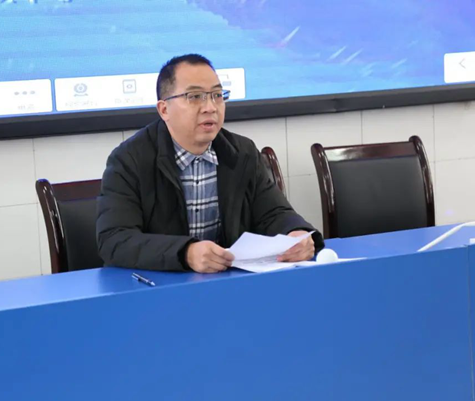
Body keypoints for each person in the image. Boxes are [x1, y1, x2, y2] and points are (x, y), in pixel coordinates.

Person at [97, 54, 324, 273]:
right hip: (160, 286)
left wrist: (297, 233)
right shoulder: (129, 160)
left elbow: (274, 213)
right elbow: (114, 239)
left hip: (228, 282)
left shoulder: (242, 152)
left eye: (217, 95)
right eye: (195, 97)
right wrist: (185, 253)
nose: (210, 107)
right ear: (164, 109)